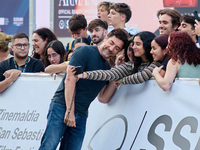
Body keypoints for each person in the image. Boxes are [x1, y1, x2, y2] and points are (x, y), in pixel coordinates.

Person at [39, 28, 129, 150]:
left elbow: (103, 98)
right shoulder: (84, 51)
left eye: (117, 48)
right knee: (49, 146)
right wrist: (70, 111)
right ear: (106, 38)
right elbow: (70, 79)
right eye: (112, 43)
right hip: (62, 106)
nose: (112, 49)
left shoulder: (107, 67)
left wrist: (118, 70)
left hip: (81, 114)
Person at [78, 31, 160, 86]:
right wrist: (85, 75)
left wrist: (121, 81)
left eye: (138, 44)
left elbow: (143, 76)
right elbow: (110, 74)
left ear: (147, 45)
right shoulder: (131, 65)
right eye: (133, 44)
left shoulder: (157, 63)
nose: (134, 47)